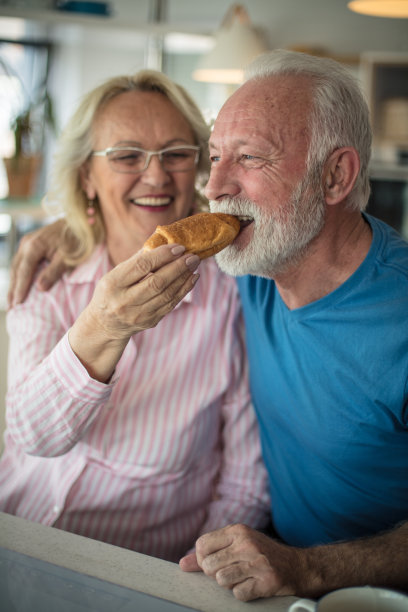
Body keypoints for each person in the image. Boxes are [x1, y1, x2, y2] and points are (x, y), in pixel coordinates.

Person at [6, 50, 408, 601]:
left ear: (335, 174)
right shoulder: (248, 261)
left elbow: (244, 484)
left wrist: (287, 570)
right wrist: (69, 238)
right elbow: (30, 436)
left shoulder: (250, 279)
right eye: (215, 156)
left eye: (249, 158)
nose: (214, 186)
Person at [0, 69, 270, 563]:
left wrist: (191, 573)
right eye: (126, 156)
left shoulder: (235, 296)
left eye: (176, 153)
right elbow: (31, 437)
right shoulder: (48, 274)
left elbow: (244, 483)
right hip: (16, 535)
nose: (156, 176)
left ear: (199, 166)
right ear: (87, 175)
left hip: (142, 569)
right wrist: (104, 323)